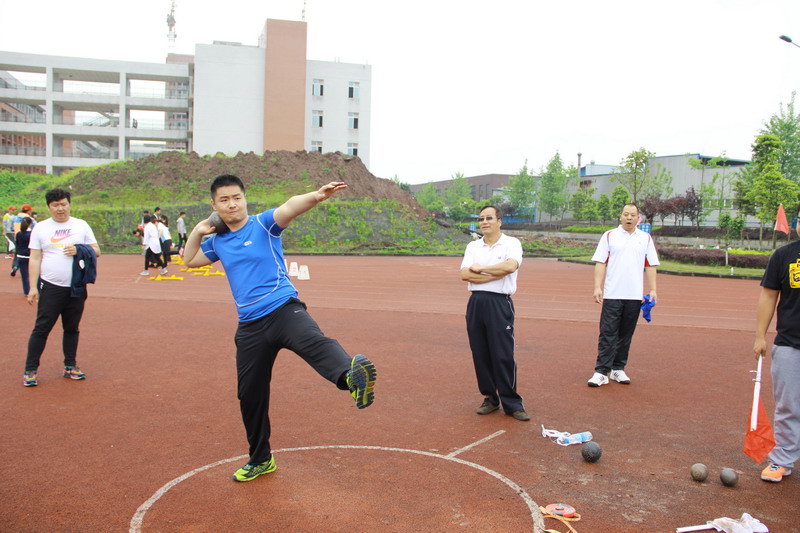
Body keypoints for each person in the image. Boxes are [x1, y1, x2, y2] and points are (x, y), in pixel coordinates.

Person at [183, 174, 377, 482]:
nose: (232, 204)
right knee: (250, 395)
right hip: (250, 326)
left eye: (236, 197)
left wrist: (317, 196)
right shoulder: (218, 242)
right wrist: (197, 230)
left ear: (245, 199)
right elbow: (189, 260)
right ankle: (261, 459)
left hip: (283, 310)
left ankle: (351, 378)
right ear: (214, 205)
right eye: (224, 200)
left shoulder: (263, 225)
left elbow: (289, 207)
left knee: (314, 342)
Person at [22, 188, 100, 387]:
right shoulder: (41, 228)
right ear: (49, 207)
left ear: (69, 204)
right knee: (42, 328)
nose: (60, 209)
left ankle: (70, 366)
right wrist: (33, 287)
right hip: (51, 287)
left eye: (63, 204)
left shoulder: (81, 225)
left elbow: (97, 250)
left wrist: (79, 249)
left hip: (76, 287)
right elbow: (35, 258)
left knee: (72, 328)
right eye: (55, 205)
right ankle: (30, 370)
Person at [460, 205, 529, 422]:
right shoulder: (473, 246)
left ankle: (512, 402)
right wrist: (493, 274)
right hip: (476, 303)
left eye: (489, 218)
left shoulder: (511, 243)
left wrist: (480, 269)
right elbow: (465, 274)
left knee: (503, 353)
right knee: (480, 353)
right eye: (481, 218)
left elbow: (509, 267)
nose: (484, 222)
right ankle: (490, 398)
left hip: (500, 303)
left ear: (499, 221)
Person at [587, 203, 658, 387]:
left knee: (626, 334)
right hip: (613, 293)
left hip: (634, 295)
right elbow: (600, 262)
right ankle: (601, 371)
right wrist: (597, 287)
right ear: (620, 216)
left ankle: (618, 368)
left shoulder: (645, 238)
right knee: (608, 333)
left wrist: (653, 289)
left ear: (638, 218)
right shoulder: (609, 236)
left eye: (633, 215)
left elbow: (650, 264)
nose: (629, 218)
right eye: (626, 214)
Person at [753, 217, 800, 483]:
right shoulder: (783, 256)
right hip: (790, 342)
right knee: (788, 405)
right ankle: (783, 459)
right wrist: (760, 336)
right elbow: (769, 295)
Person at [14, 217, 33, 296]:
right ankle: (37, 290)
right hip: (31, 257)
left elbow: (17, 245)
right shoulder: (32, 234)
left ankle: (26, 291)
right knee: (35, 275)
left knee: (24, 276)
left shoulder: (19, 234)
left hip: (21, 256)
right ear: (30, 224)